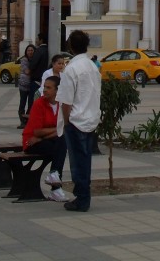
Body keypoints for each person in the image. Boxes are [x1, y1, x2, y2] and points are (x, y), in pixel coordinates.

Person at [59, 30, 102, 212]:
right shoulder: (93, 66)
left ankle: (82, 199)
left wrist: (67, 121)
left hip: (76, 121)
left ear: (70, 46)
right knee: (85, 160)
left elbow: (66, 101)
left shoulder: (71, 69)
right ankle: (84, 196)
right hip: (91, 119)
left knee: (78, 162)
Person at [22, 76, 70, 202]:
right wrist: (56, 130)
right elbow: (36, 132)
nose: (45, 90)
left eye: (49, 88)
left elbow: (65, 128)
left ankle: (54, 178)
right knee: (60, 148)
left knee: (61, 142)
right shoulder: (39, 103)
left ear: (57, 90)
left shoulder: (62, 104)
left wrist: (43, 137)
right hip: (31, 142)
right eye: (44, 87)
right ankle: (55, 187)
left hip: (46, 140)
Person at [17, 44, 35, 128]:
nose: (30, 52)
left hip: (32, 85)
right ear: (26, 52)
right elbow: (27, 71)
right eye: (28, 50)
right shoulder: (24, 60)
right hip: (24, 85)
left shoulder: (35, 59)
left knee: (31, 104)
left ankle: (27, 119)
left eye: (32, 50)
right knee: (22, 103)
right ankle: (22, 121)